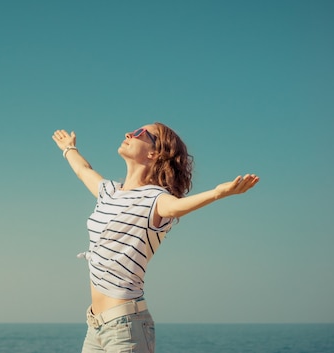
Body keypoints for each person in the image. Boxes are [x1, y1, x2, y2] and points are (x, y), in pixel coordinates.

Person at [52, 123, 259, 353]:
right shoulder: (109, 192)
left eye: (140, 133)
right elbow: (84, 170)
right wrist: (69, 148)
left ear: (155, 153)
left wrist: (218, 193)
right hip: (95, 327)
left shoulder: (155, 199)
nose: (129, 133)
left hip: (125, 329)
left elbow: (176, 207)